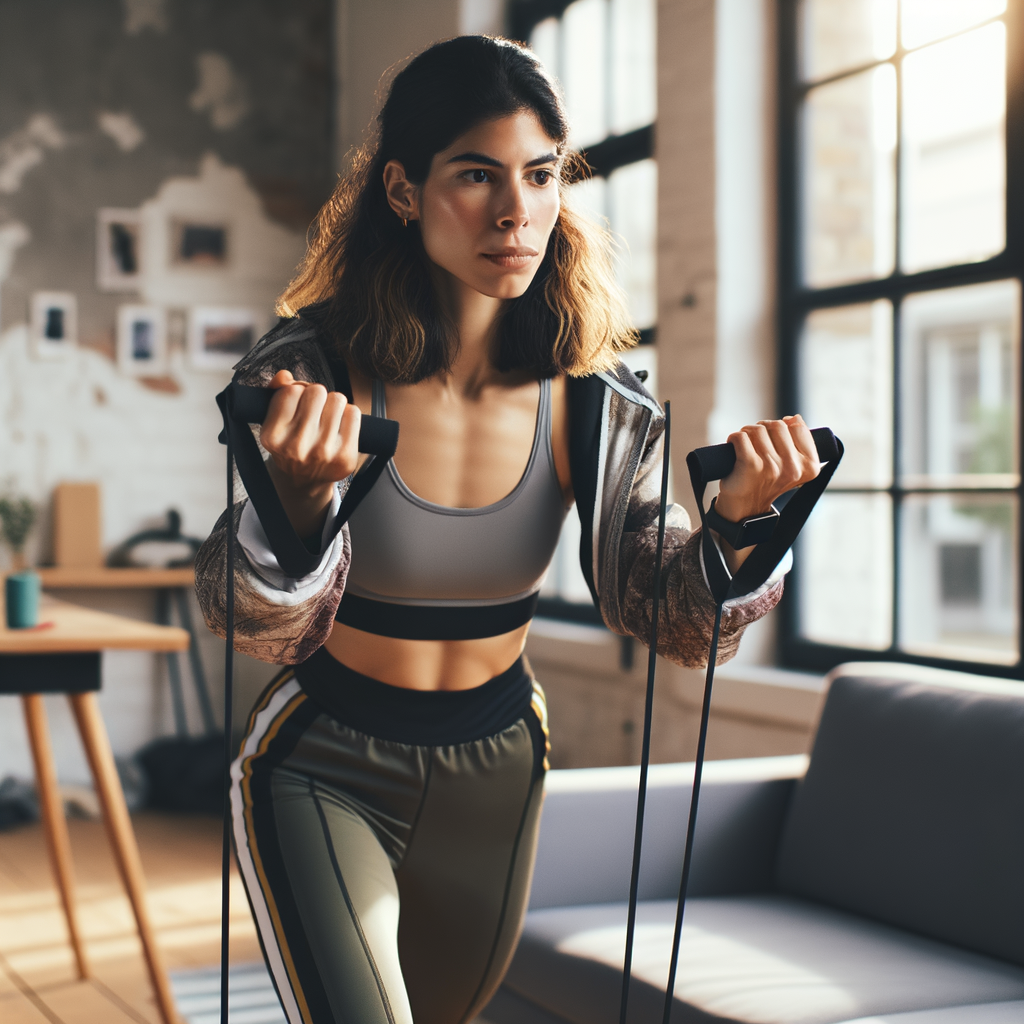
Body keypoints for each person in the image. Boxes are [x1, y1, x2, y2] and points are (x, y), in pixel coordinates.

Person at [195, 34, 820, 1024]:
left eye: (540, 176)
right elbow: (244, 620)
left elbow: (668, 614)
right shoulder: (313, 374)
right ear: (403, 191)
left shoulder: (592, 401)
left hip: (498, 764)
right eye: (476, 175)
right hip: (323, 760)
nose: (514, 211)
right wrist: (300, 504)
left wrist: (740, 525)